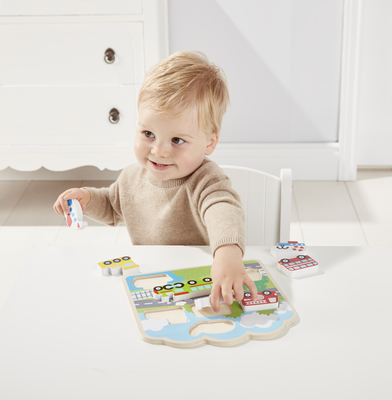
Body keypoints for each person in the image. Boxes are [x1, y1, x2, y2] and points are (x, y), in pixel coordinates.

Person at [53, 51, 257, 312]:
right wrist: (87, 198)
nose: (159, 151)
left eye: (177, 140)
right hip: (154, 282)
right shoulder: (131, 178)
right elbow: (112, 206)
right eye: (148, 133)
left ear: (209, 142)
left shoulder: (206, 179)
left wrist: (227, 255)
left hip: (203, 284)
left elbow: (223, 209)